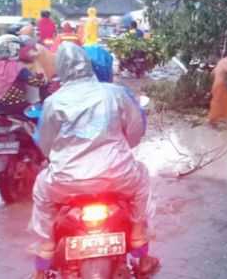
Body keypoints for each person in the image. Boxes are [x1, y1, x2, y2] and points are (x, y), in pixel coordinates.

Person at [28, 42, 159, 279]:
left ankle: (44, 258)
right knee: (142, 176)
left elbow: (45, 145)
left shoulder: (52, 102)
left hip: (65, 181)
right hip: (117, 176)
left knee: (40, 190)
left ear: (60, 68)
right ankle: (140, 244)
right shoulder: (115, 93)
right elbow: (135, 132)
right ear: (88, 65)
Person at [0, 34, 46, 117]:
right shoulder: (16, 67)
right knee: (38, 118)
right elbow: (38, 82)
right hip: (18, 108)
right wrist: (37, 64)